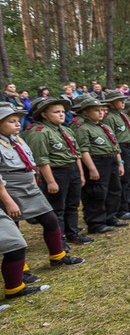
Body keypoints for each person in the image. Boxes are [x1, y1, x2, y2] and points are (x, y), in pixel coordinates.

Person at [0, 104, 84, 267]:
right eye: (11, 121)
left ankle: (58, 256)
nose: (18, 124)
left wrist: (33, 183)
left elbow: (30, 164)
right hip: (9, 188)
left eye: (18, 120)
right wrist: (7, 200)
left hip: (28, 186)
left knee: (50, 220)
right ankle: (21, 270)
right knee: (13, 229)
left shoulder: (18, 140)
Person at [23, 97, 88, 244]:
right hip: (55, 172)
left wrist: (80, 174)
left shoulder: (65, 130)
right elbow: (41, 159)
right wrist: (51, 181)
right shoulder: (40, 132)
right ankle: (60, 241)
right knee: (57, 208)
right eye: (56, 112)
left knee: (72, 204)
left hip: (71, 170)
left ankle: (73, 233)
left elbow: (75, 153)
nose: (61, 114)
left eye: (63, 111)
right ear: (45, 115)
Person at [73, 97, 125, 234]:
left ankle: (110, 216)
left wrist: (120, 162)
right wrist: (91, 168)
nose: (101, 113)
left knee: (114, 189)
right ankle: (96, 222)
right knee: (97, 192)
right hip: (97, 161)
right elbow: (83, 150)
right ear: (85, 113)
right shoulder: (83, 128)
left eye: (102, 110)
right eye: (96, 110)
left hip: (111, 159)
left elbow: (115, 146)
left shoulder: (104, 127)